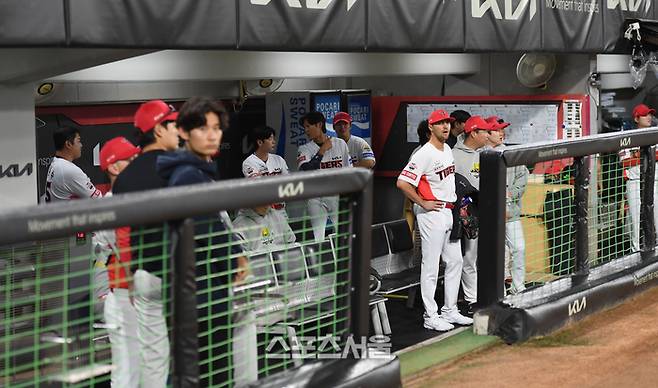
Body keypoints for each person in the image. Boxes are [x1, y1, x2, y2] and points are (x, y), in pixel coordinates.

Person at [156, 96, 250, 386]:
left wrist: (235, 254)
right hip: (197, 295)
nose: (212, 135)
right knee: (202, 375)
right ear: (183, 132)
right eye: (202, 128)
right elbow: (207, 232)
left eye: (216, 128)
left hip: (206, 291)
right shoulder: (185, 175)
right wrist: (235, 257)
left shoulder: (196, 171)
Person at [111, 99, 180, 387]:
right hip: (182, 274)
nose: (180, 130)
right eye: (174, 125)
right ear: (159, 129)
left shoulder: (126, 178)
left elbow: (124, 235)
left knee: (154, 357)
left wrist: (129, 275)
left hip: (145, 277)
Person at [396, 109, 473, 332]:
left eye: (447, 123)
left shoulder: (448, 149)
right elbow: (402, 182)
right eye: (440, 123)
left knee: (455, 261)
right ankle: (430, 315)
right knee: (430, 266)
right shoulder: (423, 153)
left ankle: (449, 310)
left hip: (448, 211)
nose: (445, 127)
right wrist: (422, 202)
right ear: (431, 127)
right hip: (431, 213)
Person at [93, 136, 141, 387]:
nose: (136, 162)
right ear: (113, 167)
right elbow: (122, 251)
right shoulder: (111, 203)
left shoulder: (136, 198)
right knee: (128, 372)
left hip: (139, 294)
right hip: (122, 295)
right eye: (130, 159)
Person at [452, 116, 494, 313]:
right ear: (474, 133)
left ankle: (490, 295)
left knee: (487, 256)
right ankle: (471, 299)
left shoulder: (486, 154)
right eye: (485, 131)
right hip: (466, 212)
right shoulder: (453, 155)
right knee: (469, 257)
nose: (488, 135)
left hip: (487, 209)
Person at [485, 116, 529, 294]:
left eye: (503, 129)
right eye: (498, 130)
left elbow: (522, 178)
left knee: (519, 248)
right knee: (496, 253)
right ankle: (498, 288)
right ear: (487, 133)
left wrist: (509, 197)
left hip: (510, 212)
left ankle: (518, 286)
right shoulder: (479, 154)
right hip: (487, 214)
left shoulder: (511, 154)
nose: (502, 133)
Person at [297, 111, 352, 242]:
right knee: (319, 237)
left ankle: (345, 262)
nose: (306, 130)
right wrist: (322, 150)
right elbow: (307, 169)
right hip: (316, 197)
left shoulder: (340, 144)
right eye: (304, 127)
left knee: (345, 233)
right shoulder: (304, 148)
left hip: (337, 195)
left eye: (308, 126)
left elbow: (349, 171)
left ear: (319, 125)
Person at [620, 104, 655, 252]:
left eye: (650, 114)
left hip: (655, 182)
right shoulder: (627, 138)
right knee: (636, 223)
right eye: (645, 115)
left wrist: (638, 156)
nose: (649, 117)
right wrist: (642, 156)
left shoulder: (655, 134)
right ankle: (635, 254)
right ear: (636, 118)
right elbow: (624, 161)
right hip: (634, 183)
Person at [43, 126, 101, 203]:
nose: (81, 145)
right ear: (68, 144)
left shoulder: (56, 163)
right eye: (78, 141)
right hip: (65, 214)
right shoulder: (69, 170)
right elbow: (99, 200)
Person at [242, 125, 290, 218]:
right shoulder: (249, 162)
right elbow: (259, 187)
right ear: (260, 142)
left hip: (281, 210)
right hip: (262, 213)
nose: (274, 142)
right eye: (270, 139)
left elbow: (288, 182)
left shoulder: (278, 159)